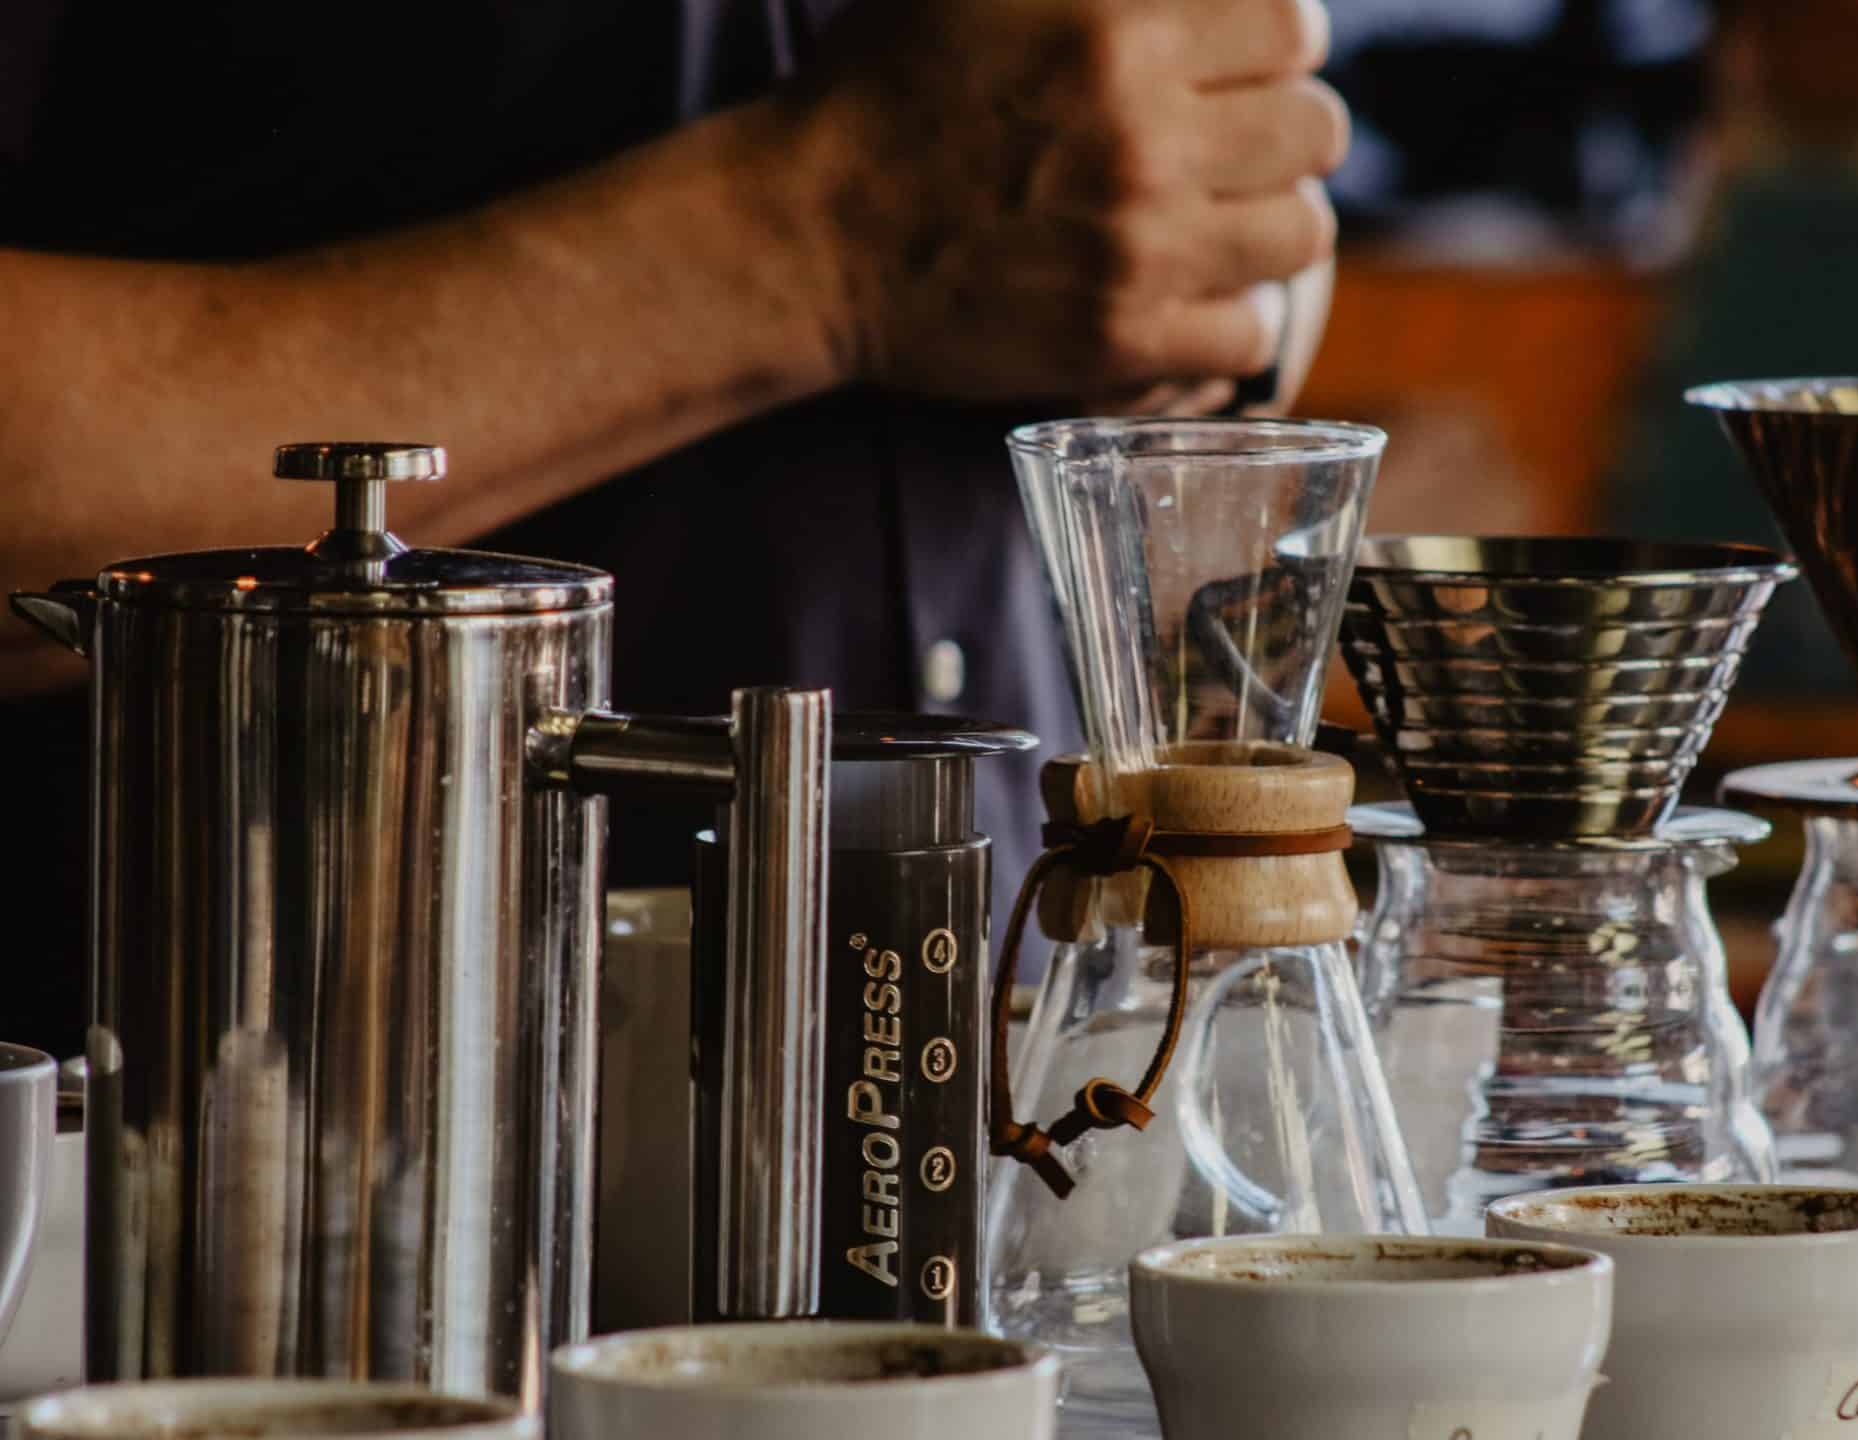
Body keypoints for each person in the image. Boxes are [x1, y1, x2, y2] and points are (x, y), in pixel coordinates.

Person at [0, 0, 1348, 1055]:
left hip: (1008, 1114)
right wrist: (830, 233)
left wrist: (1203, 271)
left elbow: (1209, 188)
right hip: (236, 1176)